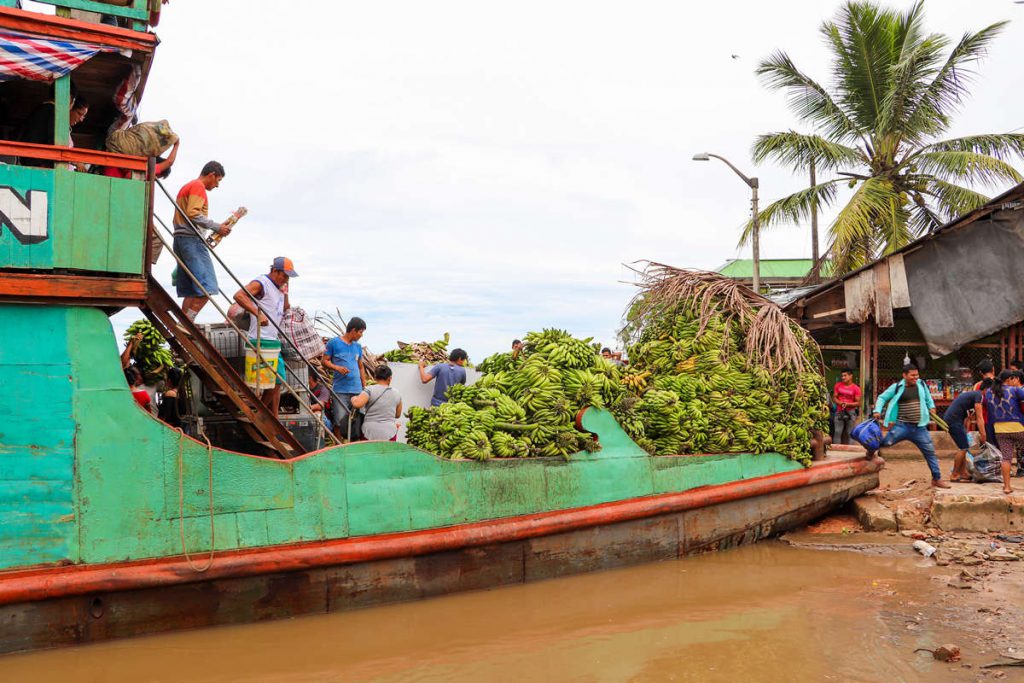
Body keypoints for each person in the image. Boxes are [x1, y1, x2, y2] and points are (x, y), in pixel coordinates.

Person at [232, 257, 298, 415]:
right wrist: (258, 313)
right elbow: (239, 295)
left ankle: (272, 416)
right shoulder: (262, 282)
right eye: (284, 275)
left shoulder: (279, 287)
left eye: (288, 277)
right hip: (260, 339)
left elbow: (286, 307)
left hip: (272, 341)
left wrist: (286, 292)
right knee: (277, 380)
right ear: (275, 271)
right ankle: (259, 411)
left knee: (276, 381)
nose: (286, 279)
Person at [872, 363, 949, 488]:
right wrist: (877, 410)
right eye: (912, 375)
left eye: (917, 375)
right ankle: (870, 454)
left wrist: (932, 407)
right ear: (904, 375)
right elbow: (882, 398)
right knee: (885, 442)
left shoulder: (922, 385)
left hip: (920, 428)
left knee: (930, 453)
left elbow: (929, 399)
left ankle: (937, 478)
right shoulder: (897, 387)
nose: (915, 377)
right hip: (902, 426)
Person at [172, 161, 230, 320]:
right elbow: (193, 213)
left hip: (180, 239)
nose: (217, 185)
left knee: (192, 290)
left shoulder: (187, 186)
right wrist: (216, 227)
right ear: (211, 175)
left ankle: (182, 323)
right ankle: (188, 322)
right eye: (218, 180)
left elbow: (190, 213)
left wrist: (216, 227)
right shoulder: (198, 187)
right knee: (208, 288)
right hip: (191, 240)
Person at [978, 370, 1024, 494]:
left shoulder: (988, 392)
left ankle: (1007, 487)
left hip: (999, 430)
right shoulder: (1014, 390)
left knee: (1006, 458)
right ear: (1010, 379)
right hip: (1018, 427)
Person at [323, 317, 367, 440]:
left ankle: (354, 445)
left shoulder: (357, 347)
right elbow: (324, 361)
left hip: (357, 390)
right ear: (353, 330)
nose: (361, 335)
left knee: (358, 420)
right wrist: (337, 368)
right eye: (360, 332)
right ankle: (339, 445)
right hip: (340, 390)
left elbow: (361, 366)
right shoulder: (333, 343)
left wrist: (364, 385)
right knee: (339, 421)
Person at [943, 379, 990, 482]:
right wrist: (983, 435)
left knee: (964, 447)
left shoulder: (973, 394)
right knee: (963, 448)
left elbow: (967, 417)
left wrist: (965, 430)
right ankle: (954, 474)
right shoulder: (979, 396)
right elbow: (979, 417)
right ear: (987, 389)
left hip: (954, 420)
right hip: (954, 421)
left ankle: (963, 473)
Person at [350, 365, 403, 442]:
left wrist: (353, 398)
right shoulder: (397, 393)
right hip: (389, 432)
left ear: (375, 377)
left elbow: (357, 404)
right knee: (387, 453)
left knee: (369, 453)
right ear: (390, 378)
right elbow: (397, 415)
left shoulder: (369, 390)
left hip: (369, 431)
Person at [832, 368, 862, 445]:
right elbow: (834, 397)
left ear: (851, 376)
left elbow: (858, 403)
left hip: (851, 412)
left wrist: (847, 404)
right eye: (842, 376)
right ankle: (836, 450)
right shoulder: (837, 385)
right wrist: (840, 403)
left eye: (845, 375)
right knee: (837, 431)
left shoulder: (856, 388)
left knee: (850, 432)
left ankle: (850, 451)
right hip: (839, 411)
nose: (843, 378)